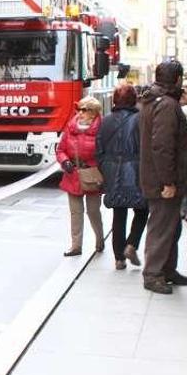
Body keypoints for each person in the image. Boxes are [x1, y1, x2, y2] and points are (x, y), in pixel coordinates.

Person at [138, 60, 187, 295]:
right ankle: (153, 274)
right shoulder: (166, 105)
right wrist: (168, 182)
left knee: (172, 227)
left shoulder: (155, 100)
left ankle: (167, 269)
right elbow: (163, 146)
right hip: (163, 180)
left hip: (159, 177)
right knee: (161, 227)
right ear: (177, 79)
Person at [96, 84, 147, 270]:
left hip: (112, 171)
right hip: (136, 171)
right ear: (134, 99)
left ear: (115, 100)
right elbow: (146, 148)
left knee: (119, 213)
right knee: (142, 210)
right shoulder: (141, 119)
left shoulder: (105, 121)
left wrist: (106, 169)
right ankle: (132, 244)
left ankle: (119, 258)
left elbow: (98, 150)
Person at [57, 96, 104, 257]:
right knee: (76, 213)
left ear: (93, 113)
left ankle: (99, 239)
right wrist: (64, 162)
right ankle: (76, 246)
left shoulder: (101, 129)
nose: (80, 113)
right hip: (73, 174)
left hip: (91, 175)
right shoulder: (71, 127)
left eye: (84, 110)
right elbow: (60, 149)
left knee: (93, 211)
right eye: (79, 109)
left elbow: (105, 153)